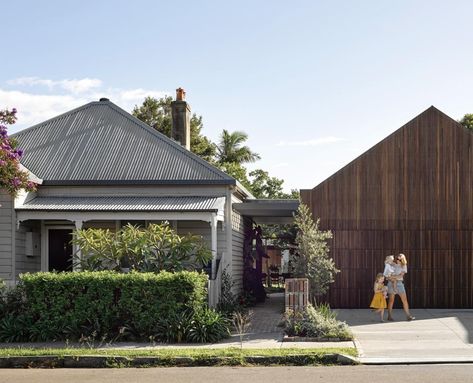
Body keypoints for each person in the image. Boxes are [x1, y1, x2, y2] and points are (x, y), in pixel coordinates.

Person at [386, 253, 415, 321]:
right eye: (397, 258)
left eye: (400, 259)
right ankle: (389, 316)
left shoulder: (404, 266)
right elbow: (387, 273)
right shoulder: (392, 264)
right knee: (391, 300)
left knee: (404, 300)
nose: (398, 260)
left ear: (402, 260)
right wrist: (390, 277)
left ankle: (408, 316)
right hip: (391, 283)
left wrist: (392, 277)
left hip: (399, 283)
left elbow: (401, 276)